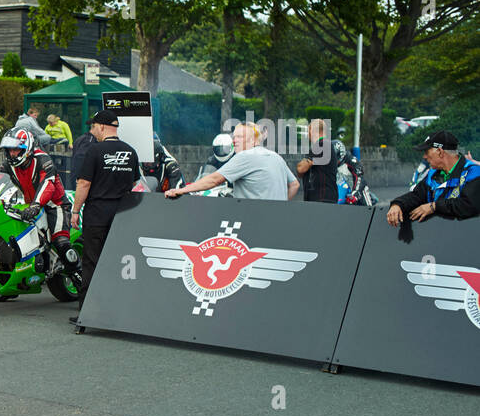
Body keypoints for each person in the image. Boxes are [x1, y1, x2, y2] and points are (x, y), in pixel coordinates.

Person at [71, 110, 140, 321]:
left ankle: (88, 312)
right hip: (123, 216)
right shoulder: (130, 151)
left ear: (101, 127)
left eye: (93, 127)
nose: (93, 132)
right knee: (120, 262)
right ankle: (120, 310)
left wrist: (75, 210)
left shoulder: (95, 151)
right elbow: (136, 182)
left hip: (97, 215)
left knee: (92, 261)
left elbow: (84, 183)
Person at [0, 128, 84, 288]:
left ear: (27, 149)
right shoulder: (8, 166)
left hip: (54, 204)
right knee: (9, 238)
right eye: (9, 150)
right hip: (29, 204)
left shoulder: (43, 160)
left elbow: (48, 185)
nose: (12, 154)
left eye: (16, 149)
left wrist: (36, 205)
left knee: (61, 242)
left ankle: (81, 283)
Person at [165, 123, 298, 200]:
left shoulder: (245, 156)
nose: (235, 140)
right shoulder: (276, 157)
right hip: (277, 219)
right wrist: (282, 204)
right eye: (234, 137)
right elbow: (294, 185)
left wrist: (182, 190)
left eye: (240, 137)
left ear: (253, 140)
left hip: (253, 220)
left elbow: (214, 180)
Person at [387, 131, 480, 231]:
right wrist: (398, 204)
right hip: (439, 236)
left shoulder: (474, 172)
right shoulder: (433, 175)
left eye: (427, 152)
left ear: (440, 152)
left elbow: (469, 205)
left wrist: (434, 206)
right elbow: (416, 196)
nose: (424, 157)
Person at [296, 119, 365, 204]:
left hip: (322, 199)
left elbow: (300, 169)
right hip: (321, 198)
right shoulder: (323, 146)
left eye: (308, 131)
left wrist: (306, 163)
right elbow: (301, 172)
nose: (308, 135)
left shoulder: (322, 145)